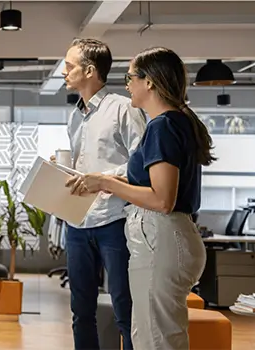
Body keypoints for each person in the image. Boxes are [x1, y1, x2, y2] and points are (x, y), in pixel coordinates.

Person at [70, 46, 211, 349]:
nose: (127, 85)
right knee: (155, 334)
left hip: (161, 236)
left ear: (149, 82)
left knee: (154, 338)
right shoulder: (174, 122)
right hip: (167, 236)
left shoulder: (162, 125)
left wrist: (107, 180)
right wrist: (107, 182)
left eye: (130, 77)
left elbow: (162, 199)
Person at [56, 38, 147, 350]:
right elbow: (84, 168)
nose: (64, 72)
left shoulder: (123, 109)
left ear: (90, 70)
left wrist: (102, 178)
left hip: (114, 221)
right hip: (78, 222)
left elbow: (141, 164)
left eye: (69, 66)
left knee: (125, 309)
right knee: (81, 312)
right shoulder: (75, 116)